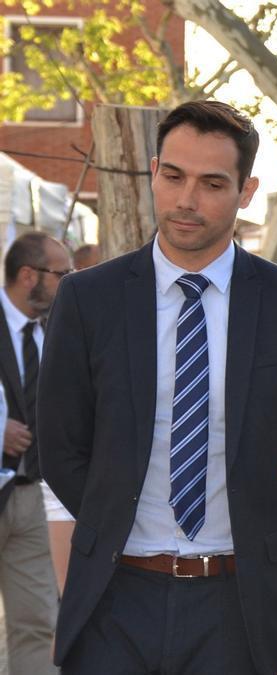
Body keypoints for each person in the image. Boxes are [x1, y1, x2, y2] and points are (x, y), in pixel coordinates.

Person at [38, 100, 277, 675]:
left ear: (246, 190)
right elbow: (59, 443)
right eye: (173, 176)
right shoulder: (89, 298)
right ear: (153, 171)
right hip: (114, 593)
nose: (186, 200)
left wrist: (268, 534)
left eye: (211, 183)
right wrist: (112, 518)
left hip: (237, 600)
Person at [0, 231, 70, 675]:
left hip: (32, 499)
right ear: (29, 275)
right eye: (62, 274)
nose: (70, 282)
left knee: (38, 624)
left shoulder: (56, 331)